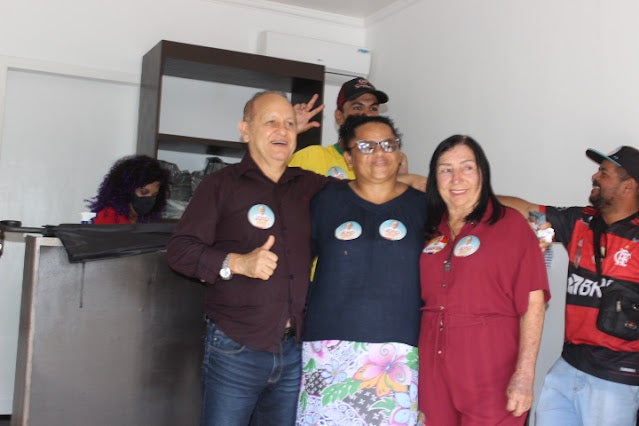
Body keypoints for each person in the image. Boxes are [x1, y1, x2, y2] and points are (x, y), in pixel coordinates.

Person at [166, 91, 331, 426]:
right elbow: (180, 250)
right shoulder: (221, 185)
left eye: (289, 124)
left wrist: (421, 182)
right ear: (245, 130)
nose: (282, 130)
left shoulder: (310, 186)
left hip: (293, 350)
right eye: (270, 122)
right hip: (235, 347)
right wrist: (237, 263)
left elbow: (365, 192)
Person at [296, 115, 425, 425]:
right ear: (349, 157)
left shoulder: (424, 207)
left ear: (399, 153)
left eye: (388, 145)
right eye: (367, 146)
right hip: (328, 349)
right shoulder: (325, 201)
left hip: (399, 352)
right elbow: (297, 264)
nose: (379, 153)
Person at [500, 145, 639, 426]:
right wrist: (473, 194)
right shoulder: (580, 221)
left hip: (616, 381)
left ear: (628, 186)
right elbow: (526, 211)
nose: (595, 177)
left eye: (604, 173)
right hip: (567, 367)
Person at [418, 135, 550, 425]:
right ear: (435, 178)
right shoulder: (430, 229)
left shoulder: (511, 225)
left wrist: (525, 374)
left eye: (467, 167)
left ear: (482, 173)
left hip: (490, 367)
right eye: (445, 169)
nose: (456, 178)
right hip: (432, 367)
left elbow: (533, 302)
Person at [289, 77, 400, 179]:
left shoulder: (384, 162)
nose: (367, 114)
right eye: (357, 107)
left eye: (373, 108)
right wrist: (289, 131)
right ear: (339, 116)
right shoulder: (312, 157)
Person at [87, 154, 170, 224]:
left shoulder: (147, 220)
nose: (149, 199)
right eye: (144, 192)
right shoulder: (108, 216)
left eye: (154, 195)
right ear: (127, 190)